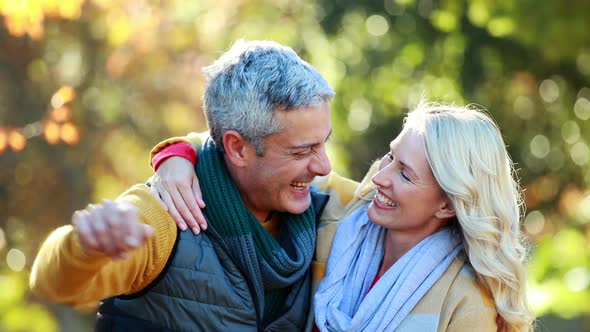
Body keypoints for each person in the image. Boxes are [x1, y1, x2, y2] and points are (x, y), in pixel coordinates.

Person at [29, 39, 360, 331]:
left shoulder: (328, 202)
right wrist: (84, 247)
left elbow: (406, 190)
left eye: (322, 144)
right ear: (238, 148)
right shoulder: (164, 215)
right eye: (302, 151)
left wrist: (180, 149)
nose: (323, 166)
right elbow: (52, 283)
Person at [147, 102, 535, 331]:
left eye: (405, 173)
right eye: (390, 156)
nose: (380, 177)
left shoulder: (467, 304)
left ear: (448, 204)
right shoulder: (343, 214)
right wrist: (178, 156)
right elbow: (253, 153)